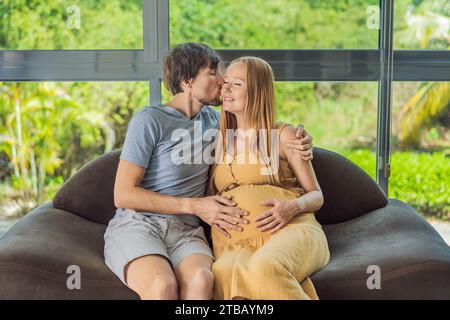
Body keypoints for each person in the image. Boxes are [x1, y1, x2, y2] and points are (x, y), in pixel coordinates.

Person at [103, 43, 315, 300]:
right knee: (162, 284)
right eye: (212, 72)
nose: (222, 80)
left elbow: (259, 127)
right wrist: (195, 206)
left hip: (185, 232)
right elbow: (123, 194)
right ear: (187, 81)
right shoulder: (150, 120)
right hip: (140, 224)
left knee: (203, 280)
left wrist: (300, 136)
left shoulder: (218, 124)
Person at [208, 56, 330, 300]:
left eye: (237, 84)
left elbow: (316, 195)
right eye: (226, 82)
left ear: (257, 91)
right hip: (236, 245)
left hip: (292, 230)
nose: (226, 89)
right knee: (222, 274)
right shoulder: (218, 140)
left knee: (266, 267)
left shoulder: (284, 135)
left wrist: (293, 207)